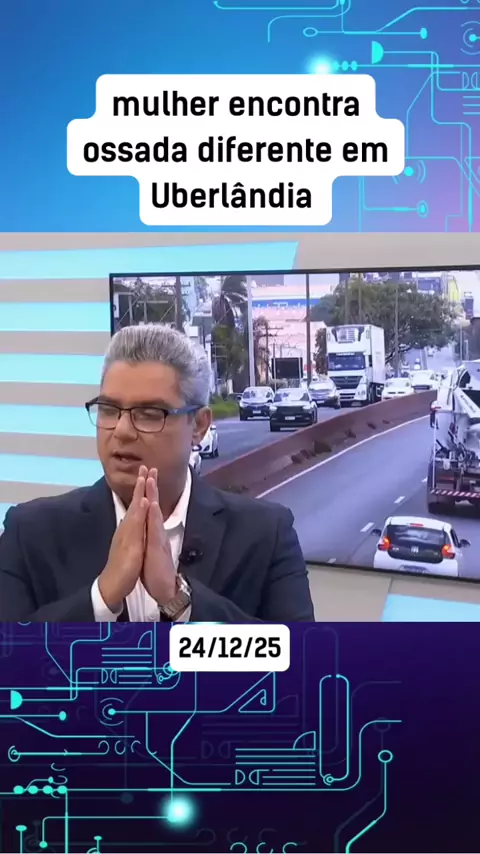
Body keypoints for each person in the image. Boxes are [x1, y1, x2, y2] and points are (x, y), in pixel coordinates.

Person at [0, 324, 314, 622]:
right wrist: (102, 598)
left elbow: (300, 655)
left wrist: (178, 600)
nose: (122, 431)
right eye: (109, 410)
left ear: (199, 425)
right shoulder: (30, 533)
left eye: (149, 414)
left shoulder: (266, 534)